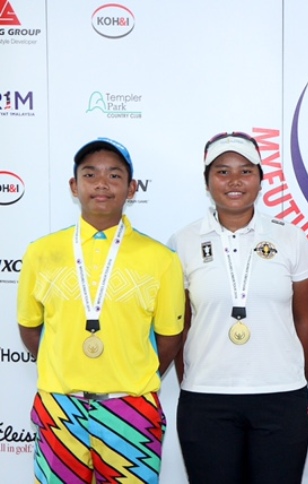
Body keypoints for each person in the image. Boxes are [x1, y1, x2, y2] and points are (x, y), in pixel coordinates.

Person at [17, 137, 185, 484]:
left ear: (132, 188)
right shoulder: (41, 252)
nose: (102, 184)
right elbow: (30, 328)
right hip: (60, 407)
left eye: (114, 175)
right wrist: (66, 368)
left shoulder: (162, 259)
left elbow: (170, 338)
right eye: (90, 175)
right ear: (74, 185)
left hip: (132, 408)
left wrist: (128, 376)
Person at [167, 132, 308, 483]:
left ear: (261, 180)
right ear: (207, 181)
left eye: (246, 171)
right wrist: (193, 379)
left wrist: (292, 379)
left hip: (281, 397)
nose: (234, 181)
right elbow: (179, 325)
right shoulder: (182, 242)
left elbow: (306, 321)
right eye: (222, 171)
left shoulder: (291, 238)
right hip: (206, 399)